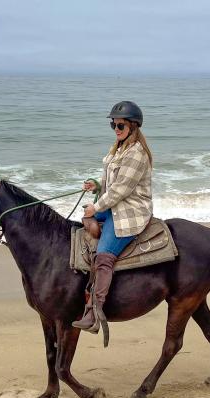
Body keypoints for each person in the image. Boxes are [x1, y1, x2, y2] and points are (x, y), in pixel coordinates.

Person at [72, 101, 154, 332]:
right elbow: (111, 185)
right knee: (84, 225)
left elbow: (121, 190)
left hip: (130, 211)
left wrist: (97, 208)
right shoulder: (118, 148)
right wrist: (97, 185)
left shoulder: (136, 153)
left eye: (120, 125)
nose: (116, 129)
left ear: (133, 126)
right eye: (113, 125)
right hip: (115, 204)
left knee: (104, 255)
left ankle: (94, 312)